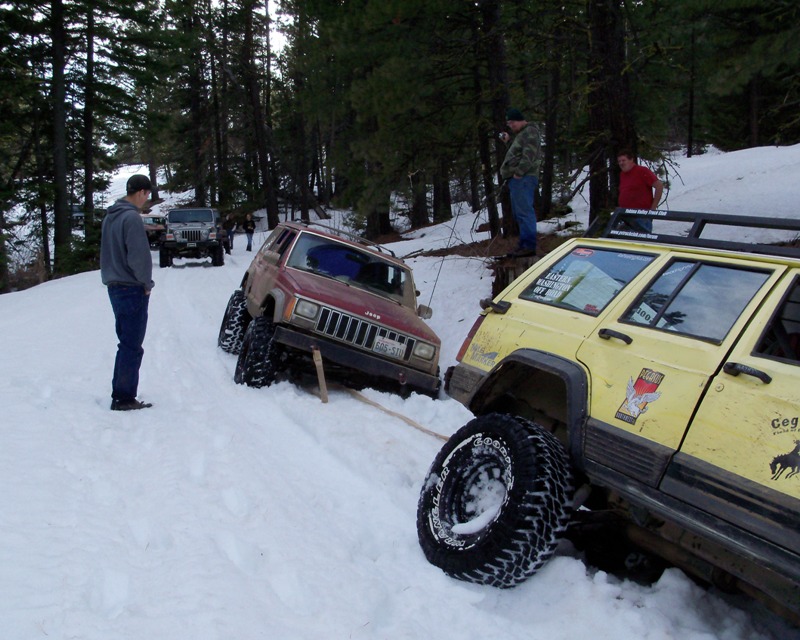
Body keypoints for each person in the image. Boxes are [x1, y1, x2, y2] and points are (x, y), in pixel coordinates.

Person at [100, 174, 155, 411]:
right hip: (131, 288)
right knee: (132, 345)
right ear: (141, 192)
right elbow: (139, 257)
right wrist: (146, 283)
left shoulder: (110, 217)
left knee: (126, 342)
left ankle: (122, 392)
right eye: (147, 195)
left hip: (114, 286)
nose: (146, 200)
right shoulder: (131, 218)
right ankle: (123, 397)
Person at [499, 108, 542, 256]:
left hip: (524, 178)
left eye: (512, 123)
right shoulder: (521, 135)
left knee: (524, 212)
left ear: (519, 120)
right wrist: (508, 142)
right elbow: (516, 154)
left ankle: (529, 245)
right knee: (520, 213)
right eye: (509, 123)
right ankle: (523, 244)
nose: (511, 126)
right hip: (518, 179)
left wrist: (519, 173)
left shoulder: (530, 131)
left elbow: (529, 154)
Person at [617, 149, 664, 233]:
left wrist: (653, 209)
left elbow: (659, 186)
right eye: (619, 161)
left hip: (641, 216)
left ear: (631, 160)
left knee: (640, 242)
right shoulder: (622, 175)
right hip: (625, 215)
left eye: (623, 160)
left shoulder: (642, 171)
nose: (621, 163)